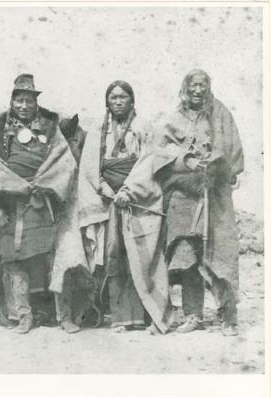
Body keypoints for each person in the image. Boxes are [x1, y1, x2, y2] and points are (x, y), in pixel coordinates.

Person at [0, 74, 90, 334]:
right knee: (14, 260)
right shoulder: (0, 130)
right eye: (19, 101)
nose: (24, 106)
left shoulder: (51, 128)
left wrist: (46, 185)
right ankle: (23, 315)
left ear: (36, 103)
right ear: (12, 102)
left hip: (47, 202)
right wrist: (2, 199)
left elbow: (64, 163)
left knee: (56, 258)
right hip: (12, 206)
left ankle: (64, 316)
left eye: (29, 101)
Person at [78, 80, 173, 333]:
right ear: (107, 102)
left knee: (144, 257)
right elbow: (89, 166)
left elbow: (148, 162)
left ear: (132, 100)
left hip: (138, 201)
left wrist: (129, 191)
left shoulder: (144, 128)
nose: (118, 101)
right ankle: (121, 317)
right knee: (114, 257)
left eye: (123, 97)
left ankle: (152, 315)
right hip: (109, 202)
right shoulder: (98, 131)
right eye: (113, 98)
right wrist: (103, 187)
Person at [156, 69, 244, 336]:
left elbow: (232, 150)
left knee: (221, 253)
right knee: (188, 255)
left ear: (208, 87)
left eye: (202, 85)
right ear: (185, 87)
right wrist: (187, 160)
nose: (197, 90)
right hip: (183, 196)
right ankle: (193, 315)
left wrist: (214, 164)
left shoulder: (221, 114)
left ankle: (228, 316)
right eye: (192, 85)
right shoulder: (174, 118)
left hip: (214, 194)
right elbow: (160, 149)